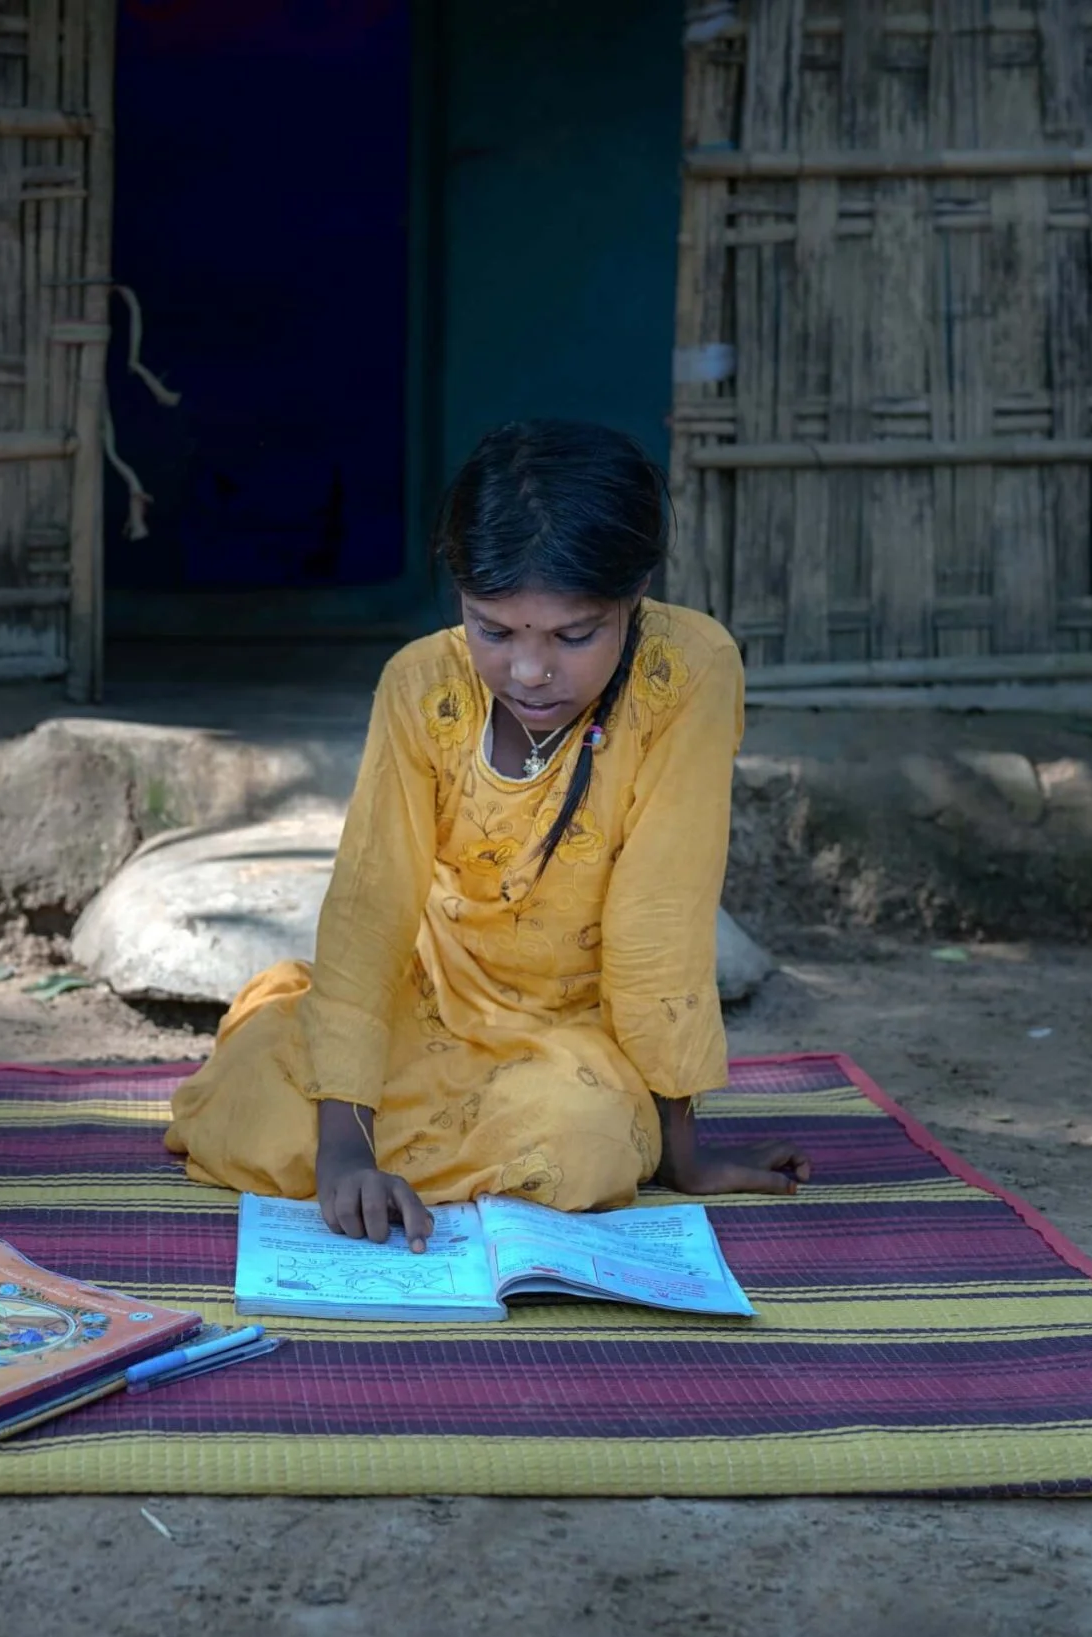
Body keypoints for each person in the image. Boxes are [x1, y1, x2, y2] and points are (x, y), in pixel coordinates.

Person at [165, 420, 807, 1250]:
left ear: (637, 589)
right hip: (426, 999)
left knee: (582, 1143)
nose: (530, 672)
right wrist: (343, 1151)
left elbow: (662, 922)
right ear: (461, 594)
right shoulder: (419, 686)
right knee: (252, 1095)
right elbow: (371, 910)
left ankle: (615, 1132)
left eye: (575, 635)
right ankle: (389, 1148)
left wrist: (685, 1154)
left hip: (574, 1035)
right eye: (493, 630)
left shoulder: (689, 673)